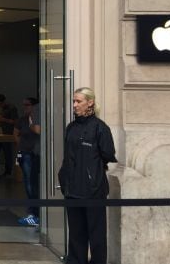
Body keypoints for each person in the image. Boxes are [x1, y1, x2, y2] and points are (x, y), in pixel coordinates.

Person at [58, 87, 116, 264]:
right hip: (72, 188)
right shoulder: (71, 127)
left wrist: (92, 172)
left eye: (78, 101)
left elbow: (108, 154)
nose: (74, 105)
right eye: (74, 101)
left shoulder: (100, 128)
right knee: (76, 233)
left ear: (90, 103)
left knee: (96, 234)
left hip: (93, 190)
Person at [14, 97, 41, 226]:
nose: (25, 107)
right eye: (24, 105)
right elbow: (16, 134)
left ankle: (35, 213)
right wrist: (22, 147)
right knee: (28, 182)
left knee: (33, 183)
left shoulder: (36, 119)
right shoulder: (22, 120)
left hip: (35, 153)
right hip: (26, 153)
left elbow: (38, 130)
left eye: (28, 105)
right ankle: (33, 212)